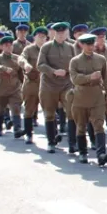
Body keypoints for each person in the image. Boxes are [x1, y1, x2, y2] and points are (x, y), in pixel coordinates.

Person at [70, 33, 107, 166]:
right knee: (81, 126)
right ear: (81, 45)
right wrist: (89, 77)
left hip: (97, 97)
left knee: (99, 125)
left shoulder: (101, 59)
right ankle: (83, 153)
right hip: (80, 97)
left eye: (92, 44)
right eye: (87, 44)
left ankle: (101, 154)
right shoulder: (75, 61)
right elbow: (74, 79)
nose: (90, 47)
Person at [37, 22, 77, 154]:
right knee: (49, 114)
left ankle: (73, 143)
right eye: (58, 33)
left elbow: (74, 65)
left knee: (71, 112)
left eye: (63, 32)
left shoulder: (71, 48)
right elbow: (40, 65)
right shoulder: (46, 47)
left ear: (66, 33)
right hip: (49, 85)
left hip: (66, 84)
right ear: (54, 33)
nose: (60, 35)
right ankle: (51, 142)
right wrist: (53, 71)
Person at [0, 36, 26, 139]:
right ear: (2, 47)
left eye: (10, 45)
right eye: (6, 45)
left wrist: (24, 84)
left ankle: (17, 129)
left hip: (14, 88)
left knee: (16, 108)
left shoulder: (16, 58)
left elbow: (21, 73)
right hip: (0, 88)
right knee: (1, 109)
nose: (9, 47)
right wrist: (4, 68)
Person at [19, 27, 47, 144]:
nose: (41, 38)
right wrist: (25, 65)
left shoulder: (49, 49)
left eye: (43, 36)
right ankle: (28, 134)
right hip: (32, 83)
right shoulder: (29, 49)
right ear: (34, 37)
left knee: (49, 110)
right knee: (29, 109)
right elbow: (21, 58)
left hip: (46, 84)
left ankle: (53, 135)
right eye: (39, 36)